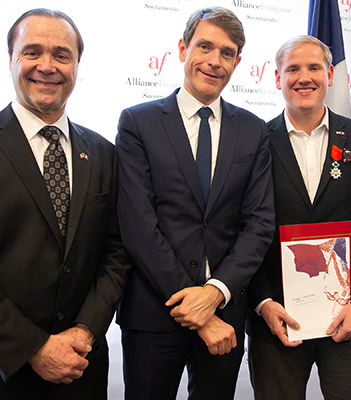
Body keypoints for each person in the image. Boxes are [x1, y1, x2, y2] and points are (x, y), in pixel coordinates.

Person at [0, 9, 130, 399]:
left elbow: (115, 255)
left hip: (78, 372)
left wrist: (84, 331)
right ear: (10, 60)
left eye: (61, 55)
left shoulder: (103, 153)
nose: (47, 66)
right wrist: (34, 348)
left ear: (77, 65)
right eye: (32, 52)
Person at [115, 6, 274, 400]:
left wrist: (216, 292)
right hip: (154, 313)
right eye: (205, 46)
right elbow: (138, 226)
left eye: (227, 53)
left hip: (226, 312)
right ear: (183, 48)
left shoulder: (253, 130)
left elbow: (260, 224)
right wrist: (198, 312)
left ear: (237, 63)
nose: (214, 61)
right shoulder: (138, 122)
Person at [246, 35, 351, 400]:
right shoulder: (254, 142)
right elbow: (241, 231)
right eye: (293, 69)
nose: (305, 77)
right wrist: (263, 302)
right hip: (278, 321)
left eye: (314, 67)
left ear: (330, 74)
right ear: (277, 78)